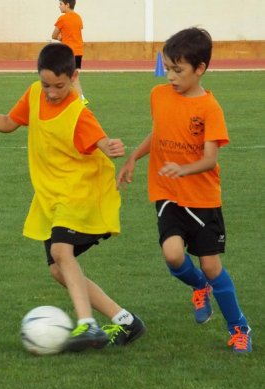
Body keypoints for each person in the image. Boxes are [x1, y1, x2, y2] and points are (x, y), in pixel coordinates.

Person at [0, 43, 146, 352]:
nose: (52, 92)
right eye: (47, 84)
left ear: (74, 77)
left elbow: (100, 141)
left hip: (81, 193)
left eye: (59, 85)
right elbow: (8, 123)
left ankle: (88, 325)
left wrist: (110, 146)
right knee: (59, 269)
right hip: (53, 196)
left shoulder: (79, 114)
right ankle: (125, 320)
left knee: (61, 251)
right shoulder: (34, 94)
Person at [117, 28, 252, 353]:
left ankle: (239, 328)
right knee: (173, 254)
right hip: (167, 193)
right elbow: (159, 132)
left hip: (203, 199)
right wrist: (134, 156)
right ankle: (199, 288)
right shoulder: (159, 95)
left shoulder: (209, 108)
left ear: (200, 68)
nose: (171, 77)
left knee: (211, 265)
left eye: (179, 70)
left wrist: (183, 168)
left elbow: (210, 159)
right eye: (168, 68)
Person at [51, 0, 86, 105]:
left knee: (64, 76)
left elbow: (53, 35)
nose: (59, 6)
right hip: (78, 52)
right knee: (72, 77)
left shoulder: (62, 18)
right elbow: (74, 34)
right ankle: (79, 99)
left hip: (68, 53)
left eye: (61, 4)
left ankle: (78, 99)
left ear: (67, 5)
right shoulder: (78, 18)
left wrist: (60, 37)